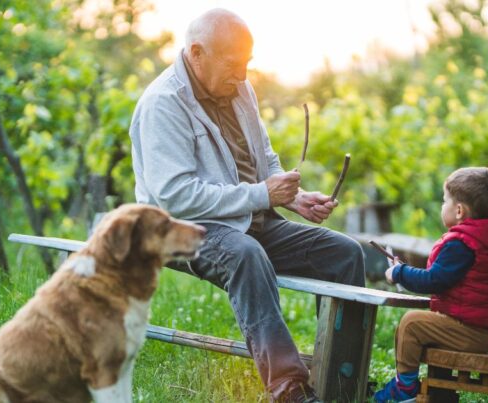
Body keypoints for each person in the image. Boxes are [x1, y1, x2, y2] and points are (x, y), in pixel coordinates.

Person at [129, 8, 366, 402]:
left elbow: (264, 157)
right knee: (246, 255)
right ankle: (289, 389)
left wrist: (295, 199)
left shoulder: (240, 88)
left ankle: (345, 382)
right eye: (233, 65)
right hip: (180, 228)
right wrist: (261, 195)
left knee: (344, 253)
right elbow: (175, 196)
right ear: (197, 53)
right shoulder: (163, 104)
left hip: (247, 219)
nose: (242, 75)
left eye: (247, 65)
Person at [374, 167, 488, 403]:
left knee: (412, 324)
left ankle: (405, 388)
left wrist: (399, 273)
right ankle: (436, 391)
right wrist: (406, 269)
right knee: (419, 324)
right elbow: (444, 276)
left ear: (460, 210)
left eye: (445, 201)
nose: (443, 206)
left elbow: (434, 280)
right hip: (474, 330)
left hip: (467, 331)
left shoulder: (463, 244)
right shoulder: (479, 239)